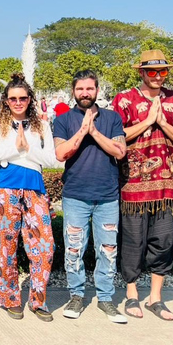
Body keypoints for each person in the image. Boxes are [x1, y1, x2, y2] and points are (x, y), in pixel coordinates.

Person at [112, 50, 173, 321]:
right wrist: (147, 121)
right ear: (141, 72)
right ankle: (132, 294)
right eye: (152, 72)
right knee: (133, 241)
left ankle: (155, 298)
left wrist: (161, 122)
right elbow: (117, 136)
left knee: (164, 241)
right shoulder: (125, 99)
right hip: (133, 184)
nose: (158, 77)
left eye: (163, 72)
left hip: (166, 185)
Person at [0, 73, 57, 321]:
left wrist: (28, 149)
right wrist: (15, 149)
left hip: (34, 188)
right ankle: (10, 298)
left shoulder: (42, 126)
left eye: (23, 98)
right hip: (5, 189)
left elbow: (52, 160)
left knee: (44, 246)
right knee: (7, 247)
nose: (18, 102)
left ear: (30, 99)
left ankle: (38, 300)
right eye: (12, 98)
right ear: (5, 101)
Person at [53, 70, 128, 324]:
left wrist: (94, 131)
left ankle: (106, 298)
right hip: (76, 196)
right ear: (73, 91)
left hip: (107, 196)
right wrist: (82, 131)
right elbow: (61, 153)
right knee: (74, 249)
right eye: (80, 89)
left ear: (97, 90)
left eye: (90, 89)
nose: (85, 93)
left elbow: (119, 152)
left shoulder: (112, 118)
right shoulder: (63, 120)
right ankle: (76, 295)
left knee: (107, 250)